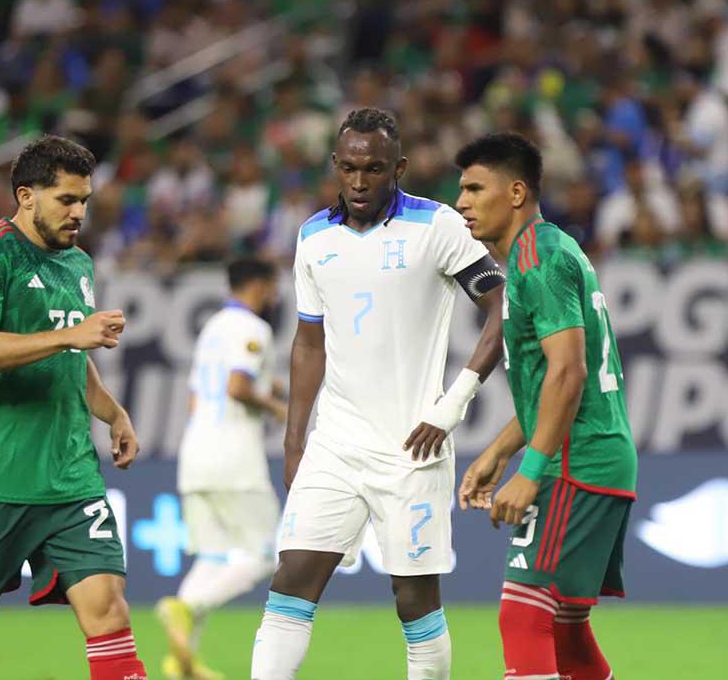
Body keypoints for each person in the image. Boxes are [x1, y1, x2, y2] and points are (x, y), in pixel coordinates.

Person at [250, 108, 506, 680]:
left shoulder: (438, 227)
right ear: (334, 166)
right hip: (336, 445)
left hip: (411, 450)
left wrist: (451, 405)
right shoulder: (313, 236)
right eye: (349, 168)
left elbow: (501, 308)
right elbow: (308, 343)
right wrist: (295, 442)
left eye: (374, 169)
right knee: (291, 580)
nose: (360, 182)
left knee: (414, 601)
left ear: (400, 167)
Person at [0, 135, 149, 680]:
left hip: (70, 480)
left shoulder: (79, 264)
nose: (79, 212)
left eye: (84, 199)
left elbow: (72, 353)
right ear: (26, 195)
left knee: (110, 610)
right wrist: (69, 337)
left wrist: (114, 413)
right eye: (66, 199)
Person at [455, 132, 638, 680]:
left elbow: (569, 372)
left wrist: (530, 471)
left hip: (574, 462)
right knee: (566, 630)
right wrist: (498, 452)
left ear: (515, 193)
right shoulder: (546, 253)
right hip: (595, 457)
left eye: (473, 188)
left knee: (522, 615)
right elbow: (549, 385)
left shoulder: (539, 256)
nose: (461, 202)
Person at [159, 256, 287, 680]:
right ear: (260, 285)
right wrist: (278, 408)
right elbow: (237, 387)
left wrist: (267, 388)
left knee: (211, 557)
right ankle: (187, 607)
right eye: (272, 287)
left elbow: (200, 397)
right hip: (234, 455)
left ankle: (183, 664)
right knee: (267, 553)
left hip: (196, 449)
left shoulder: (212, 328)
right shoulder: (254, 329)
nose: (274, 296)